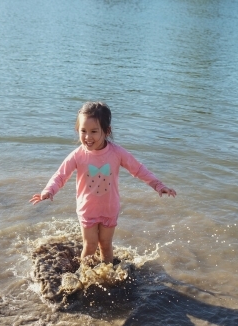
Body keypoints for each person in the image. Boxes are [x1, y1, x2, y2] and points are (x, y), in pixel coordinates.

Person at [30, 101, 176, 264]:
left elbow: (138, 169)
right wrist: (49, 190)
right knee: (90, 246)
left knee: (106, 245)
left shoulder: (117, 153)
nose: (87, 137)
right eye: (83, 131)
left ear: (106, 131)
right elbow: (61, 175)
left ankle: (108, 274)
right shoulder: (77, 155)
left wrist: (158, 185)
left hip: (109, 208)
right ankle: (84, 276)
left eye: (94, 131)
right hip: (87, 209)